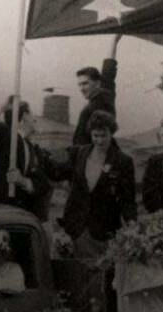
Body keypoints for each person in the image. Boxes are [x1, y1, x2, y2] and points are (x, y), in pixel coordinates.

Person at [58, 110, 136, 259]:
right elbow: (57, 172)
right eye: (95, 136)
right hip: (76, 229)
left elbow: (128, 199)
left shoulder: (123, 161)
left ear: (111, 134)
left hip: (104, 232)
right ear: (90, 134)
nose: (99, 140)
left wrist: (132, 223)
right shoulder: (78, 153)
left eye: (104, 136)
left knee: (102, 270)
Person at [0, 99, 52, 219]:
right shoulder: (4, 136)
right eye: (32, 114)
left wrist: (23, 181)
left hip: (23, 213)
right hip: (1, 210)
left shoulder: (30, 147)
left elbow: (43, 183)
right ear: (25, 116)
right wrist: (1, 109)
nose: (35, 119)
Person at [73, 35, 122, 147]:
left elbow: (80, 141)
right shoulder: (106, 92)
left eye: (85, 83)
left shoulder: (92, 108)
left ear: (97, 83)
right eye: (79, 85)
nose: (81, 89)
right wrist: (114, 41)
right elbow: (109, 68)